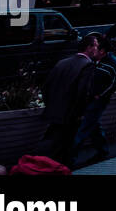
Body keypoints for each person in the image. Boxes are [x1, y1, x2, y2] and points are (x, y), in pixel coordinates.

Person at [41, 34, 99, 165]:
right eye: (96, 46)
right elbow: (83, 92)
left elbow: (46, 87)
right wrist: (80, 114)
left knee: (54, 144)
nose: (97, 49)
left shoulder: (62, 62)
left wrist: (51, 104)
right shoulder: (87, 65)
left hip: (54, 112)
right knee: (66, 147)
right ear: (89, 47)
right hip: (70, 115)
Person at [73, 33, 116, 165]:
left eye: (97, 48)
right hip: (94, 99)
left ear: (103, 51)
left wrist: (100, 95)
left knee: (84, 128)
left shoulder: (111, 64)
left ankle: (71, 157)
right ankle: (102, 149)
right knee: (93, 125)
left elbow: (115, 82)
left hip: (98, 100)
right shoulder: (99, 62)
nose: (94, 50)